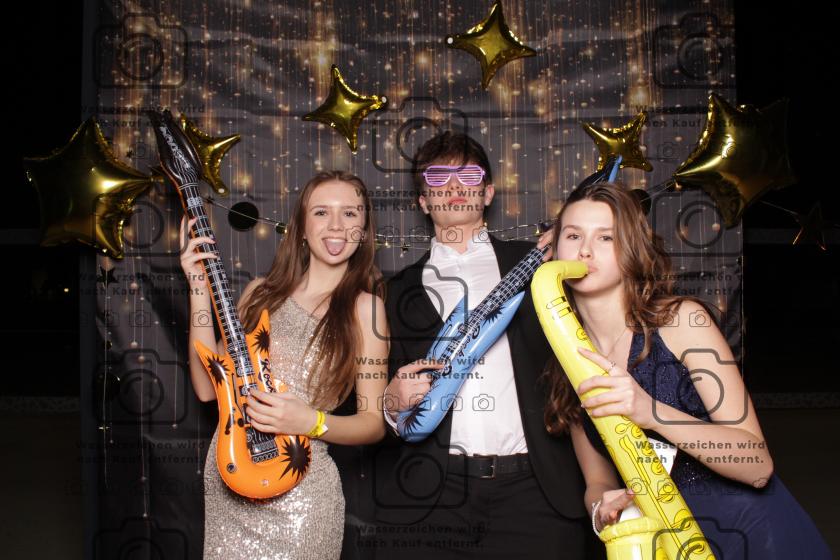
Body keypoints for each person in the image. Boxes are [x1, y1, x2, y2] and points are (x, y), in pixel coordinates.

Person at [545, 181, 831, 559]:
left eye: (605, 237)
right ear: (553, 250)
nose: (584, 250)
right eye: (573, 235)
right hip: (670, 545)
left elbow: (757, 465)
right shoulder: (568, 356)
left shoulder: (681, 321)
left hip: (754, 534)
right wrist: (601, 509)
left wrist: (651, 412)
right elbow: (597, 479)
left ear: (632, 248)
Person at [375, 132, 597, 559]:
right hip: (434, 499)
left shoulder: (540, 264)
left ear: (488, 192)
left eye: (469, 175)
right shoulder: (395, 290)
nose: (454, 186)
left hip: (535, 493)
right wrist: (391, 402)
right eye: (438, 178)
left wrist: (570, 239)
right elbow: (375, 397)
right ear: (423, 201)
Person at [181, 171, 389, 560]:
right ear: (301, 228)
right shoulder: (259, 294)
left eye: (350, 213)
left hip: (303, 494)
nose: (336, 225)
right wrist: (197, 287)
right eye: (322, 212)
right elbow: (208, 388)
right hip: (233, 474)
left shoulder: (367, 309)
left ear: (363, 231)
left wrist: (311, 422)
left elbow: (374, 423)